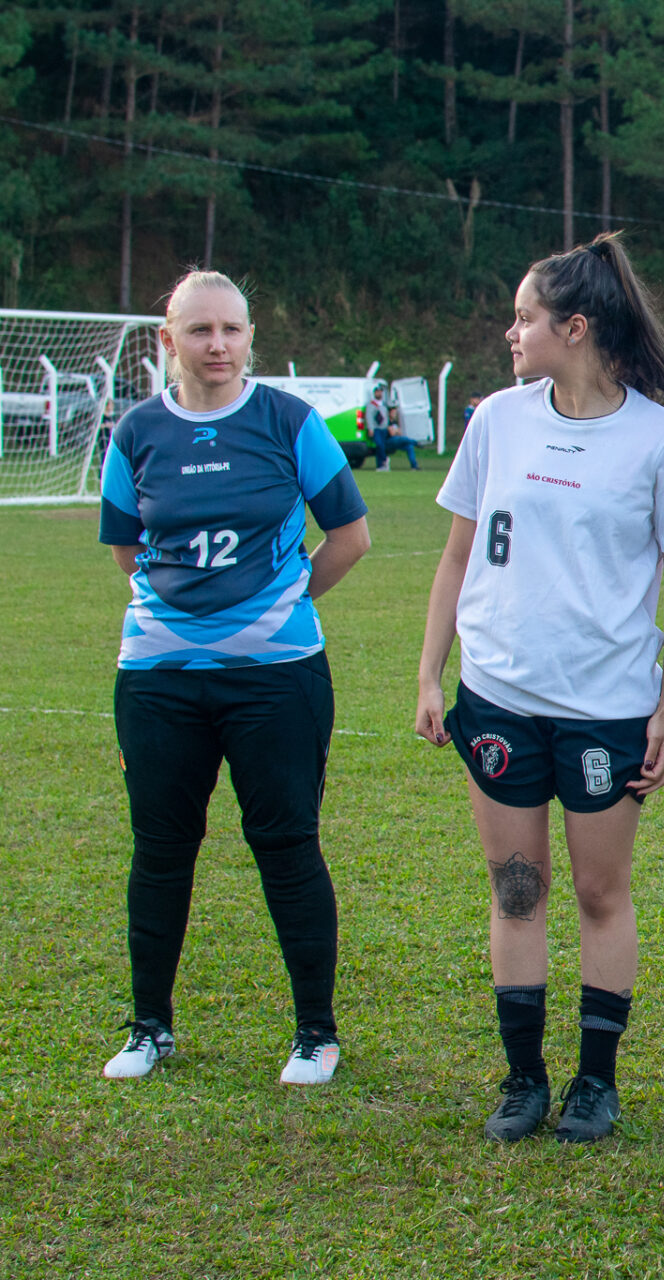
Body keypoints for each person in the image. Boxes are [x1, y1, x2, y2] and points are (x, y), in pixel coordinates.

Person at [415, 232, 664, 1144]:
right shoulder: (496, 419)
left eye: (526, 317)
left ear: (574, 328)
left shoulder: (662, 438)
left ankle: (596, 1082)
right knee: (516, 889)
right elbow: (459, 553)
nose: (512, 331)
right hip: (498, 694)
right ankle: (524, 1079)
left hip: (606, 708)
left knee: (599, 896)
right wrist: (431, 671)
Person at [98, 269, 371, 1085]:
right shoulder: (135, 432)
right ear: (167, 341)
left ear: (251, 337)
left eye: (233, 330)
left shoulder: (290, 422)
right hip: (158, 679)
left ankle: (315, 1035)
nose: (218, 345)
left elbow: (349, 537)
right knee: (160, 850)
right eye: (200, 330)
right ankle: (149, 1027)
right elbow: (126, 548)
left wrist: (277, 608)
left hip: (277, 677)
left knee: (287, 845)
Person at [371, 386, 419, 471]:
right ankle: (416, 442)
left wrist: (396, 431)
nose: (394, 413)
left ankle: (414, 466)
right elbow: (392, 433)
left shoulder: (395, 422)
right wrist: (396, 431)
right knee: (402, 439)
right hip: (389, 442)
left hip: (397, 441)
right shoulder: (387, 422)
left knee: (409, 446)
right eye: (393, 411)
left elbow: (399, 432)